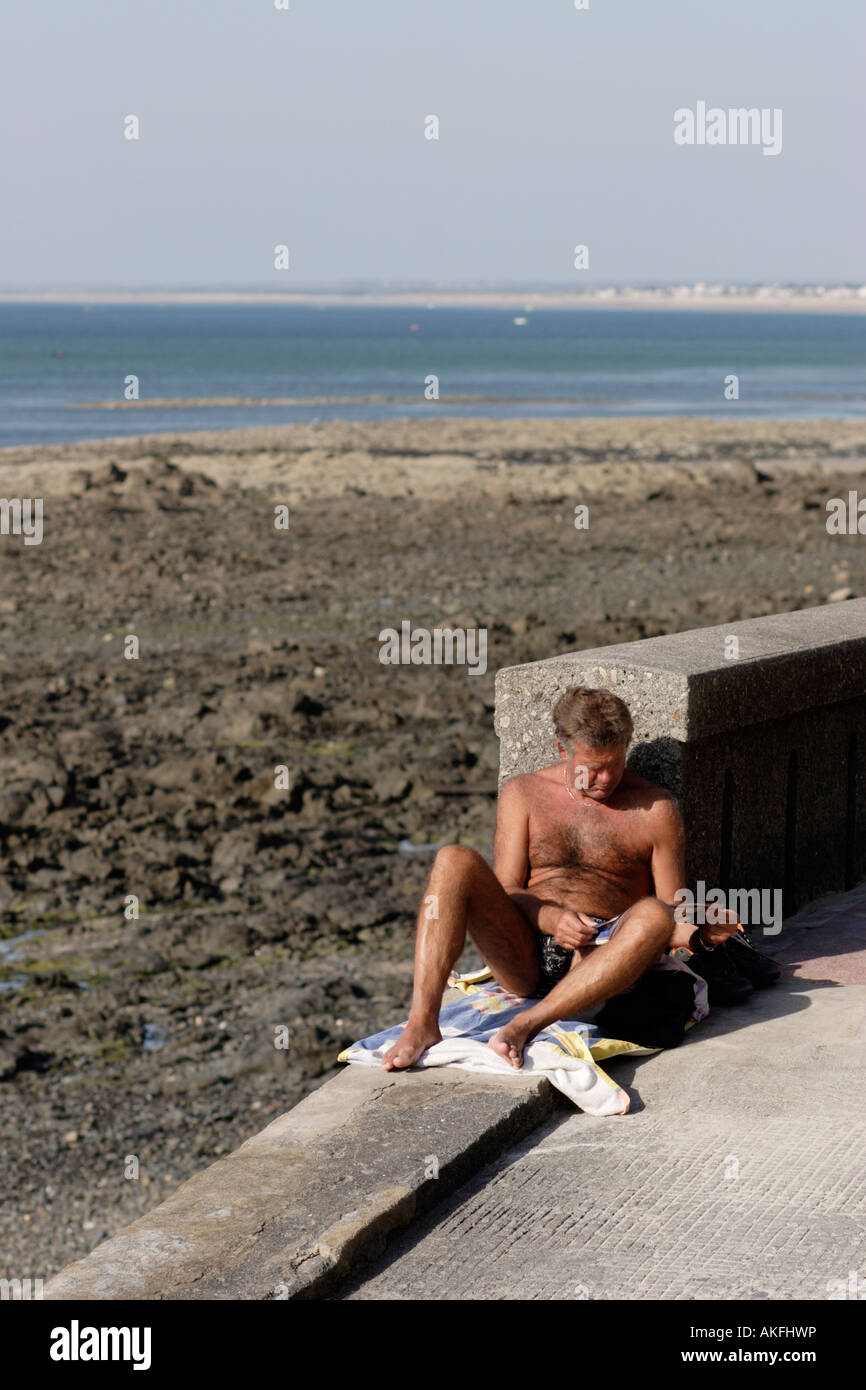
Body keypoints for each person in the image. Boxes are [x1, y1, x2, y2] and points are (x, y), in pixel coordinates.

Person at [382, 685, 777, 1072]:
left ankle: (526, 1024)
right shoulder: (524, 794)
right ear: (563, 752)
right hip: (522, 955)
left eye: (616, 765)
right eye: (594, 768)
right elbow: (507, 890)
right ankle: (421, 1023)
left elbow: (671, 909)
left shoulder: (655, 810)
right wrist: (553, 919)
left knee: (655, 916)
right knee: (454, 859)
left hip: (600, 959)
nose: (606, 779)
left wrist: (702, 931)